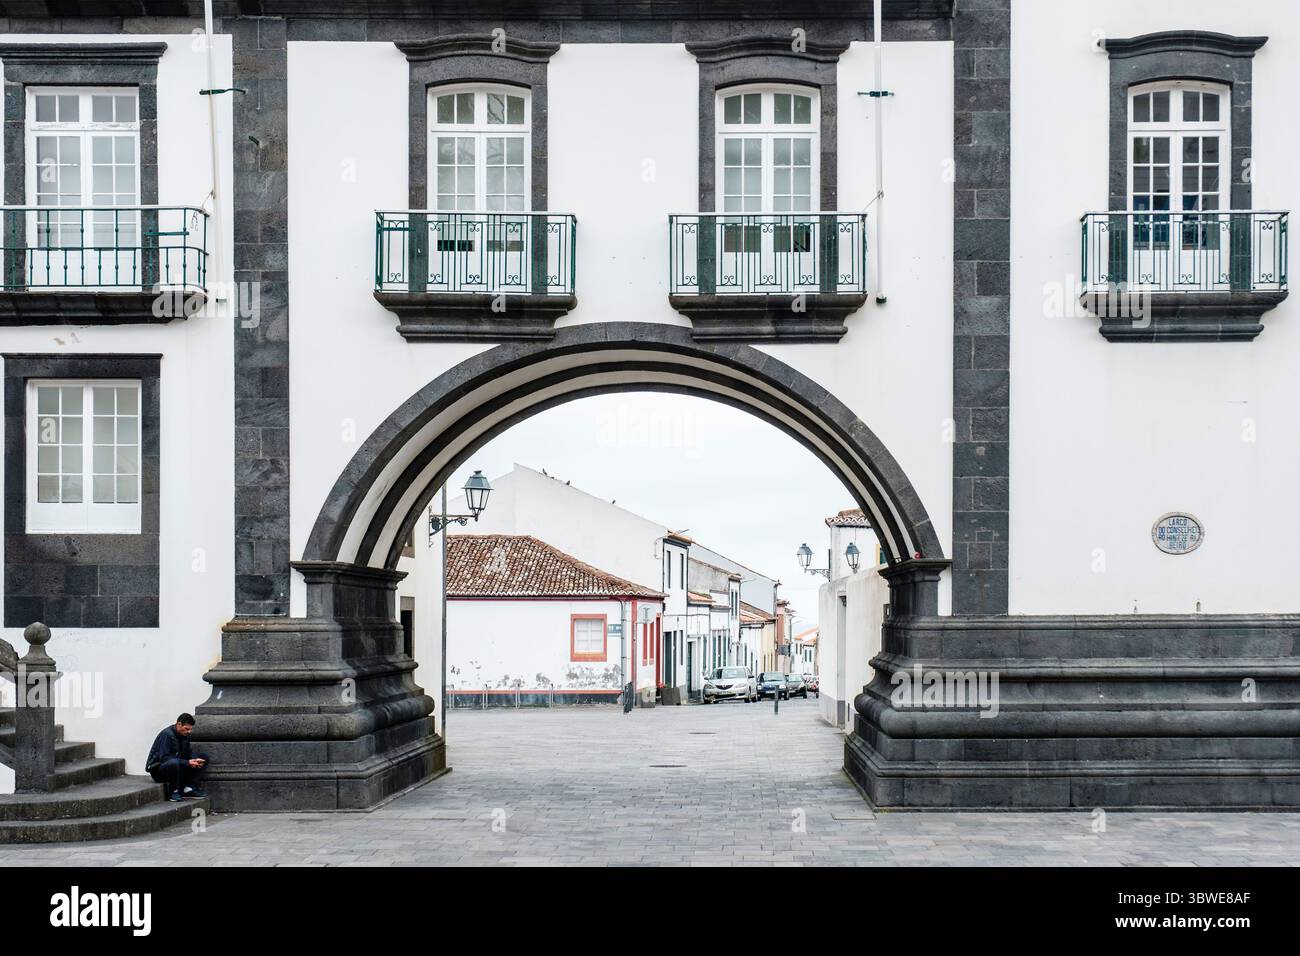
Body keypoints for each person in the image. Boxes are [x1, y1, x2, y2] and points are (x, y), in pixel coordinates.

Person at [146, 713, 209, 802]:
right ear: (179, 724)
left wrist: (194, 760)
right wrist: (187, 762)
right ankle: (173, 792)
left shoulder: (185, 735)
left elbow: (188, 753)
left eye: (190, 729)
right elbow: (164, 759)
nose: (189, 732)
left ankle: (188, 789)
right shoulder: (167, 735)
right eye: (187, 729)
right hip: (158, 771)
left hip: (177, 766)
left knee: (203, 757)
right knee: (173, 762)